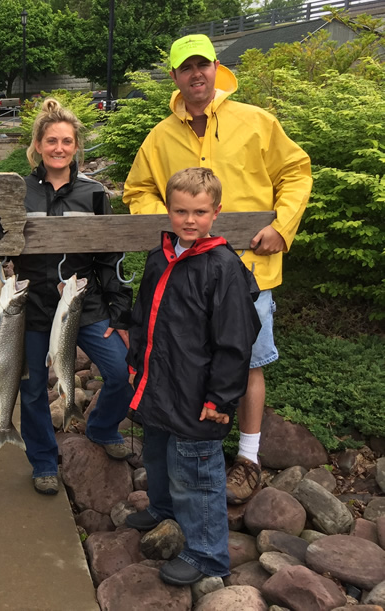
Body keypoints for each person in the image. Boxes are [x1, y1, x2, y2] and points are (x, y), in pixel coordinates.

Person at [124, 34, 312, 504]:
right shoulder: (159, 137)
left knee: (247, 362)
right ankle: (192, 451)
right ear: (173, 76)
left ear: (216, 67)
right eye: (185, 68)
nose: (196, 74)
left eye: (202, 65)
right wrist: (171, 231)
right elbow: (137, 190)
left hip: (250, 271)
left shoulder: (256, 122)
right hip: (184, 279)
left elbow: (296, 171)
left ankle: (248, 460)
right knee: (188, 362)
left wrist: (283, 227)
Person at [124, 167, 261, 585]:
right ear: (168, 210)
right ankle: (163, 510)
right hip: (158, 387)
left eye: (199, 212)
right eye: (181, 210)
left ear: (216, 212)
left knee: (197, 476)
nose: (189, 220)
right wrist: (135, 366)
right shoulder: (158, 258)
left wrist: (221, 399)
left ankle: (207, 554)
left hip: (197, 395)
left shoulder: (223, 268)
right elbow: (142, 318)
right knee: (158, 457)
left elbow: (236, 342)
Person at [12, 98, 134, 496]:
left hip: (87, 303)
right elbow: (2, 246)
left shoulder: (95, 193)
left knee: (120, 371)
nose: (59, 148)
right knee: (31, 388)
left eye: (66, 141)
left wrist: (119, 314)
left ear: (77, 145)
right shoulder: (18, 192)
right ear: (38, 144)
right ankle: (44, 460)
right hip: (33, 305)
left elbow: (111, 257)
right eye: (51, 141)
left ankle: (101, 425)